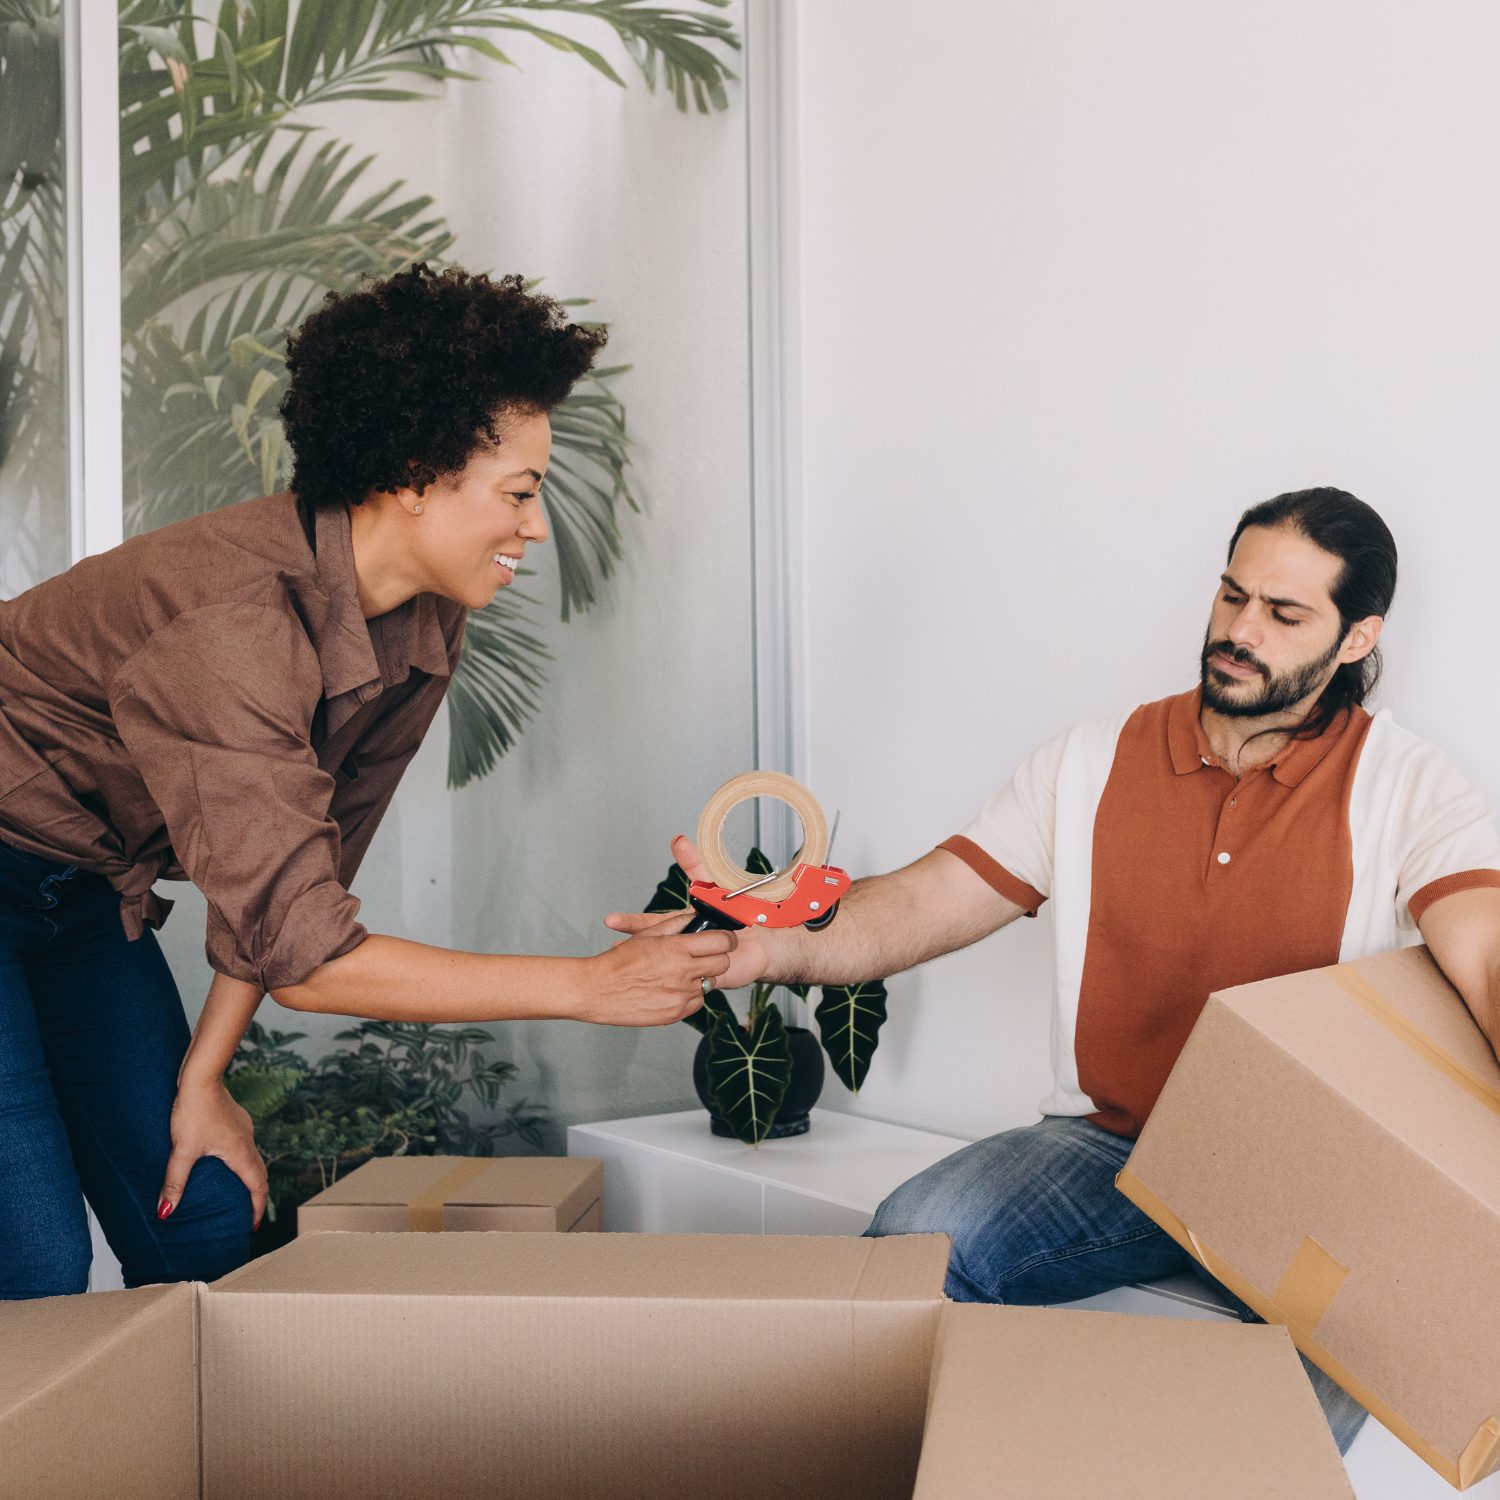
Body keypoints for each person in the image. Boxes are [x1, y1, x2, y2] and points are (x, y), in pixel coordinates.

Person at [612, 487, 1500, 1455]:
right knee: (913, 1245)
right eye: (1232, 595)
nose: (1240, 631)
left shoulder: (1409, 785)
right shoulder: (1093, 759)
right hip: (1110, 1148)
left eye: (1284, 615)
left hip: (1303, 1177)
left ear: (1358, 638)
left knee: (1290, 1418)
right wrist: (765, 945)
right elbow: (925, 899)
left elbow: (1485, 949)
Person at [0, 264, 733, 1300]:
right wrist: (586, 988)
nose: (535, 528)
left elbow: (299, 894)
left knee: (202, 1215)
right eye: (519, 494)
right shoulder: (234, 633)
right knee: (30, 1261)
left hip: (78, 892)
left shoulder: (424, 620)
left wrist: (205, 1081)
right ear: (412, 469)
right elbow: (313, 963)